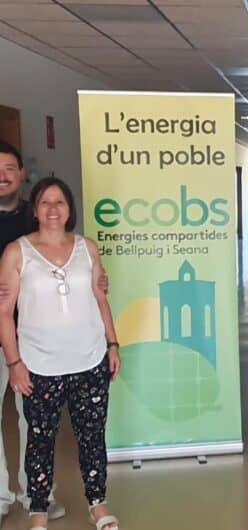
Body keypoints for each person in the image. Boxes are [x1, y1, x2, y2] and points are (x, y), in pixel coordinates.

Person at [0, 176, 121, 530]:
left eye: (60, 202)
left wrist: (112, 343)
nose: (53, 209)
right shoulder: (17, 252)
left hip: (90, 359)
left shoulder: (88, 248)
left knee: (92, 437)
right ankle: (38, 511)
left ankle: (98, 505)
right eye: (45, 202)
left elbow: (100, 299)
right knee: (40, 441)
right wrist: (14, 362)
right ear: (35, 210)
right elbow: (4, 312)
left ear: (70, 210)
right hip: (39, 363)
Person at [0, 141, 65, 524]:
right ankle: (0, 497)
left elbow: (66, 262)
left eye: (9, 168)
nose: (2, 176)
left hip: (33, 336)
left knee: (37, 420)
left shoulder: (38, 217)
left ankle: (38, 494)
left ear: (22, 174)